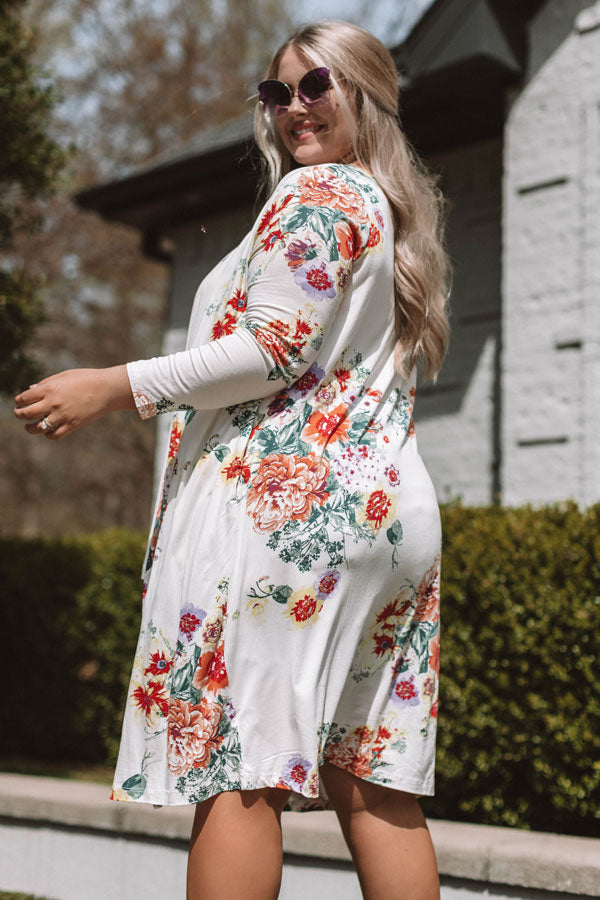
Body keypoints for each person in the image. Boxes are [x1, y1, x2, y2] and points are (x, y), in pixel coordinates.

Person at [14, 20, 451, 900]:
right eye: (278, 92)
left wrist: (116, 384)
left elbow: (271, 350)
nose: (295, 108)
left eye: (316, 85)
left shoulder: (318, 194)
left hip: (293, 518)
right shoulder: (386, 209)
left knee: (238, 767)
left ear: (366, 93)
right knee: (371, 777)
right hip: (390, 520)